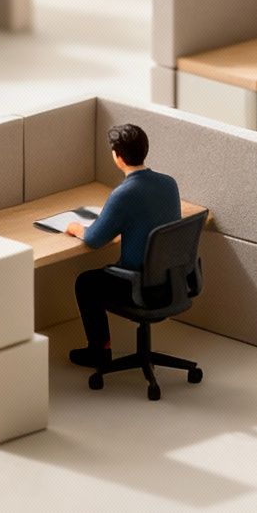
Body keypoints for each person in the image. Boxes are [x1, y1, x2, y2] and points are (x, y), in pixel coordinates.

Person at [65, 124, 182, 368]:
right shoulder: (169, 184)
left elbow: (95, 239)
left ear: (117, 157)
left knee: (86, 283)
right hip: (172, 282)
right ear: (145, 150)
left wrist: (77, 228)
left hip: (138, 285)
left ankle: (99, 351)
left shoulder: (123, 194)